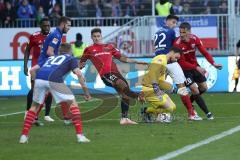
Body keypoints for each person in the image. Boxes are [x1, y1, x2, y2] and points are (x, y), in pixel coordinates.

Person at [19, 43, 91, 144]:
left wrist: (39, 84)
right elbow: (79, 74)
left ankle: (23, 136)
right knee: (73, 104)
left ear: (60, 51)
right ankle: (80, 136)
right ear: (70, 51)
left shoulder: (50, 58)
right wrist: (86, 92)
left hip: (40, 78)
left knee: (34, 107)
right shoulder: (71, 58)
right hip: (54, 79)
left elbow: (32, 70)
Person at [79, 28, 147, 125]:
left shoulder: (109, 46)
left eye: (98, 36)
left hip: (116, 73)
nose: (97, 38)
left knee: (124, 93)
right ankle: (137, 96)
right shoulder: (89, 49)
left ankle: (124, 119)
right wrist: (80, 68)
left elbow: (122, 58)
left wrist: (137, 61)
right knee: (122, 85)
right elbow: (81, 62)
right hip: (105, 75)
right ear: (91, 37)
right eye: (94, 36)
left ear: (101, 36)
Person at [154, 15, 201, 121]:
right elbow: (176, 45)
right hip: (170, 61)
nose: (175, 25)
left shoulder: (157, 32)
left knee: (159, 89)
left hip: (158, 61)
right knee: (182, 87)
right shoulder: (170, 32)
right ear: (167, 21)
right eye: (173, 22)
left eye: (175, 23)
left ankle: (160, 115)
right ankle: (191, 113)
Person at [174, 22, 222, 120]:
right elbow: (182, 62)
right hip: (184, 70)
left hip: (195, 66)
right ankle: (208, 113)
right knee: (194, 89)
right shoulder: (177, 44)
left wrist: (213, 63)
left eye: (184, 32)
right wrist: (196, 68)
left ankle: (189, 103)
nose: (182, 35)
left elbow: (204, 52)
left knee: (203, 88)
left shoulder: (194, 39)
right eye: (180, 32)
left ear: (189, 31)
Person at [30, 16, 72, 124]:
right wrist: (57, 62)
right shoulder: (56, 35)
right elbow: (49, 52)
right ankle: (67, 117)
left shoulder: (57, 34)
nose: (69, 28)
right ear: (63, 24)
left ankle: (34, 116)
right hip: (47, 65)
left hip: (44, 65)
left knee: (47, 93)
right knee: (60, 89)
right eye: (68, 25)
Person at [24, 17, 54, 125]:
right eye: (45, 25)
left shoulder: (53, 36)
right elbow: (27, 50)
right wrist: (25, 66)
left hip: (48, 66)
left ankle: (46, 115)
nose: (47, 27)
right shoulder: (34, 36)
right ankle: (28, 112)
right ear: (40, 26)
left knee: (49, 90)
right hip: (36, 66)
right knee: (34, 90)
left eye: (48, 25)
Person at [142, 47, 182, 123]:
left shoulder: (164, 61)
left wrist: (172, 89)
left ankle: (146, 111)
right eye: (176, 57)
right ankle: (158, 116)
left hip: (157, 89)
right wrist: (155, 86)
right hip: (150, 89)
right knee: (169, 108)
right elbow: (153, 71)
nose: (175, 60)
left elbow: (160, 80)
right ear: (172, 52)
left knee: (173, 107)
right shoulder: (161, 59)